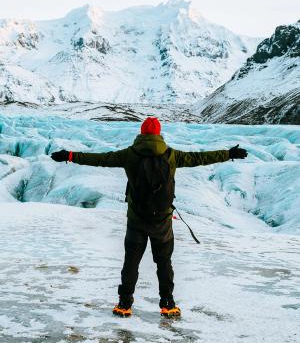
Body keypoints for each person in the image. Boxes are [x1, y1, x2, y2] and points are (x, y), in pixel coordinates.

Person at [51, 117, 247, 317]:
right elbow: (200, 158)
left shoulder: (129, 154)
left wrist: (70, 155)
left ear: (142, 133)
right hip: (162, 222)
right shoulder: (171, 155)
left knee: (131, 264)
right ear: (158, 135)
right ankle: (168, 304)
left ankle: (124, 305)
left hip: (136, 220)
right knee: (164, 263)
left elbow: (101, 159)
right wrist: (229, 154)